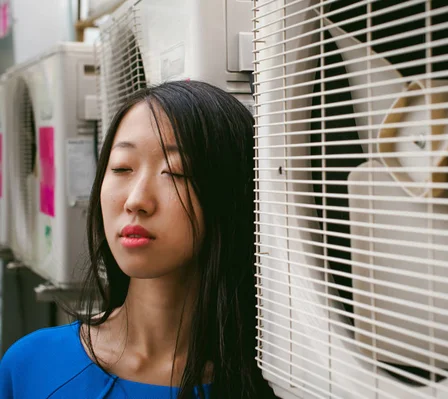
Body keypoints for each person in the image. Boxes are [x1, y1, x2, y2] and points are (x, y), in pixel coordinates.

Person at [0, 81, 275, 398]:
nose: (136, 200)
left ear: (230, 194)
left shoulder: (277, 384)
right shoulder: (31, 367)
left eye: (176, 172)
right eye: (121, 168)